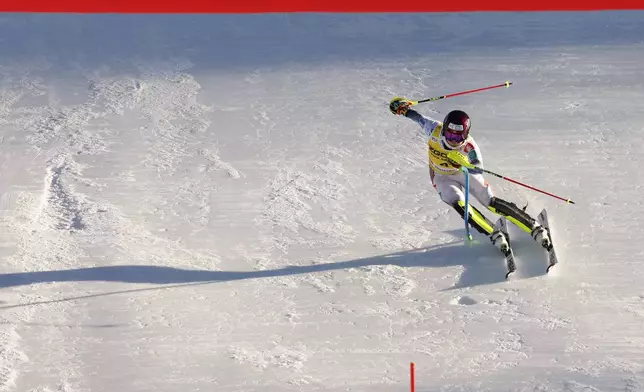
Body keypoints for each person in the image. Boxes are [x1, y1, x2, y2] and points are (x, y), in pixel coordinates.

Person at [389, 97, 550, 253]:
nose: (453, 141)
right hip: (441, 177)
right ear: (444, 129)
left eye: (458, 137)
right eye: (450, 135)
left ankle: (534, 227)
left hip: (462, 173)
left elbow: (478, 167)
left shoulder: (469, 146)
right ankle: (493, 233)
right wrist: (403, 109)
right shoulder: (434, 130)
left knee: (491, 203)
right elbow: (418, 118)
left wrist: (466, 164)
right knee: (460, 204)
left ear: (465, 135)